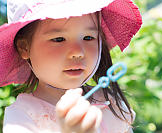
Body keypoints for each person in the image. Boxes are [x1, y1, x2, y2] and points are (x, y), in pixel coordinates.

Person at [0, 0, 142, 132]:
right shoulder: (21, 118)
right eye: (59, 39)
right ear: (24, 48)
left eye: (88, 37)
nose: (78, 52)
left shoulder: (111, 103)